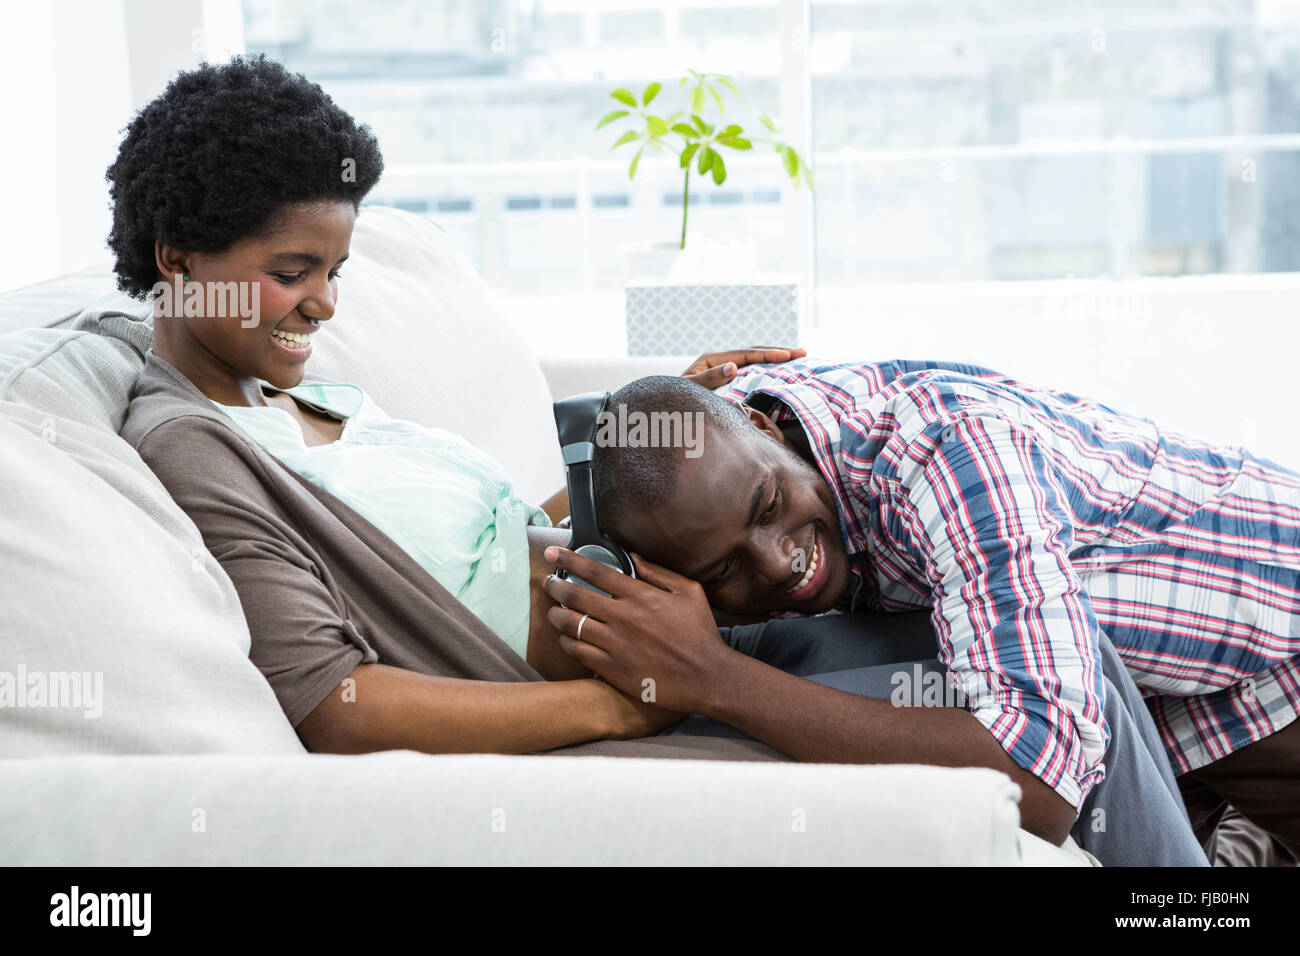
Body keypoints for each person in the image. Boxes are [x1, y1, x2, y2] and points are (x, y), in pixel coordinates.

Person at [548, 361, 1300, 864]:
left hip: (1269, 656)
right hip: (1149, 702)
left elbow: (1038, 787)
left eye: (769, 506)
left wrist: (714, 679)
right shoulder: (725, 441)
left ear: (768, 431)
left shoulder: (953, 454)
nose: (777, 561)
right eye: (723, 568)